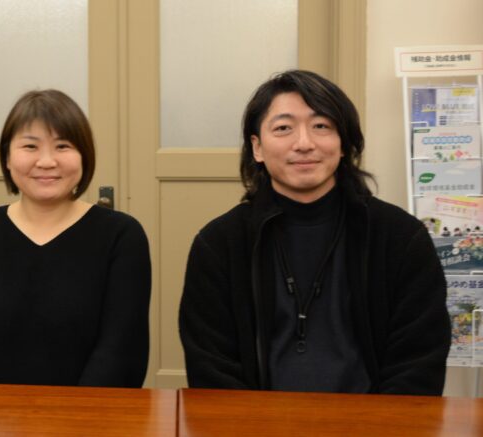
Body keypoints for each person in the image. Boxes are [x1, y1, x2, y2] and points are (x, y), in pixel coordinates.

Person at [179, 70, 450, 395]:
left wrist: (375, 421)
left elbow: (419, 362)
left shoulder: (400, 237)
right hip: (254, 420)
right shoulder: (220, 243)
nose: (304, 144)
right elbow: (211, 367)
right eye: (283, 128)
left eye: (321, 126)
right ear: (257, 147)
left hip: (373, 420)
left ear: (343, 143)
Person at [0, 89, 151, 387]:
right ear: (7, 157)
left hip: (91, 413)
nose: (46, 161)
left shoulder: (122, 236)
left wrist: (76, 413)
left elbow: (121, 351)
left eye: (63, 146)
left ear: (84, 156)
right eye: (30, 146)